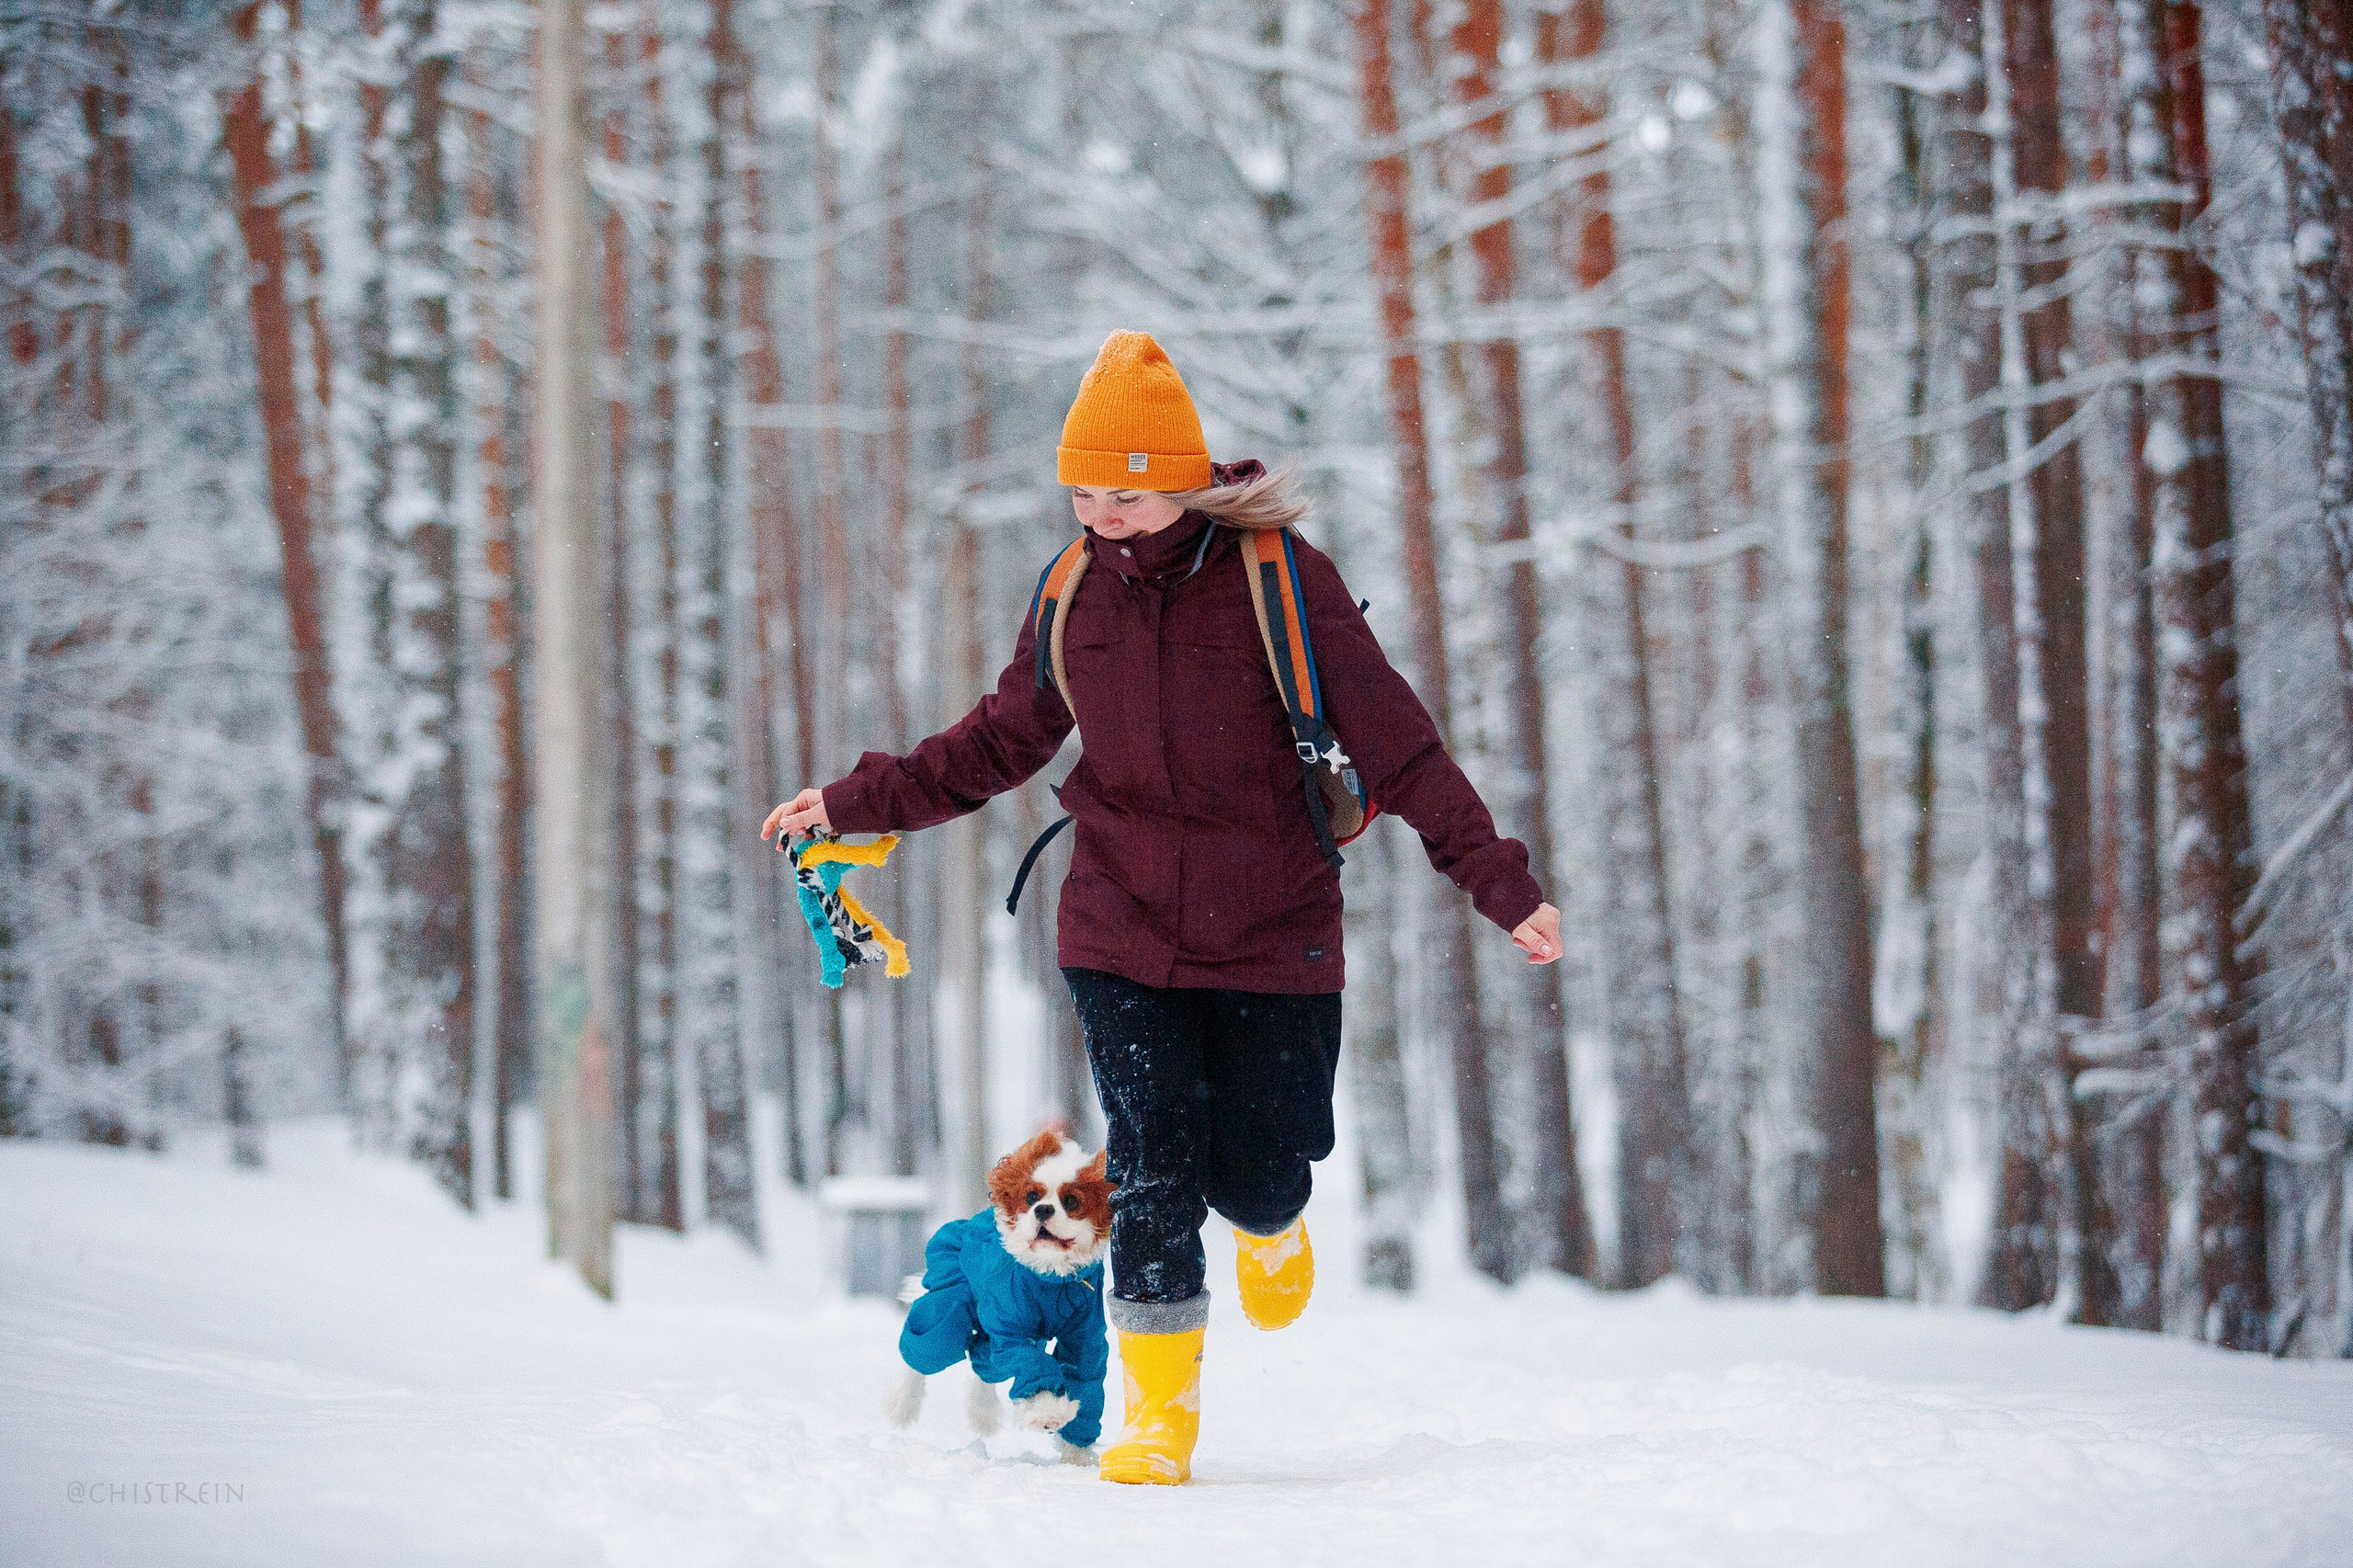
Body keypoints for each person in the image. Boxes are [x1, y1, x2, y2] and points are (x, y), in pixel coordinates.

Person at [760, 331, 1560, 1486]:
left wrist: (1500, 880)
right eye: (1081, 490)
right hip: (1120, 927)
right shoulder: (1072, 589)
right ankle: (1154, 1419)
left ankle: (1275, 1217)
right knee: (1149, 1165)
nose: (1101, 512)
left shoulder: (1285, 581)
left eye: (1125, 491)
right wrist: (847, 802)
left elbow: (1398, 741)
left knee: (1260, 1168)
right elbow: (996, 739)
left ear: (1180, 480)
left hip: (1276, 927)